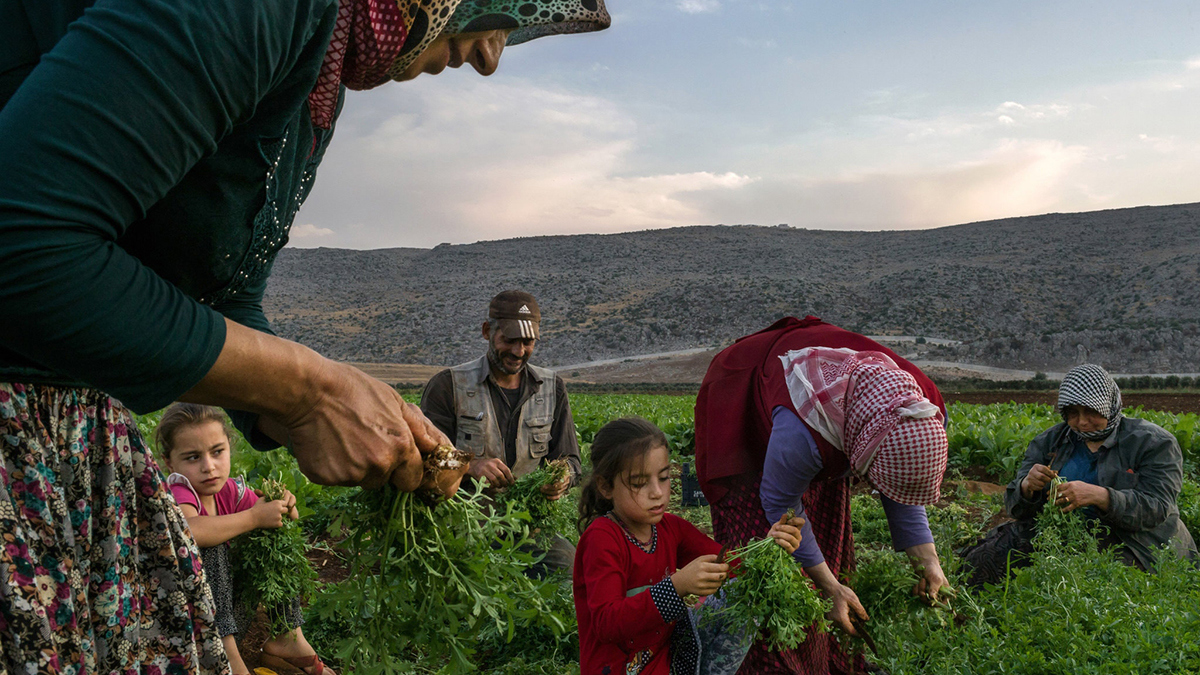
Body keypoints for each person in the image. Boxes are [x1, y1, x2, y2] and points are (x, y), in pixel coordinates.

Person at [0, 2, 609, 674]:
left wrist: (359, 407)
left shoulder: (316, 81)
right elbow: (25, 243)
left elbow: (225, 293)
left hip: (73, 426)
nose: (493, 55)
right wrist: (306, 393)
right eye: (503, 10)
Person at [694, 316, 950, 675]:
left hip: (835, 418)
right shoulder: (800, 433)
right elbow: (780, 504)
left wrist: (928, 562)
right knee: (770, 554)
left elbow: (901, 480)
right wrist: (829, 587)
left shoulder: (923, 408)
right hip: (743, 396)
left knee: (826, 536)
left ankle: (828, 660)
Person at [573, 417, 806, 675]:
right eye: (639, 483)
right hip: (618, 669)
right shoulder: (602, 538)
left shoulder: (670, 528)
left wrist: (770, 546)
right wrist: (676, 586)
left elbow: (730, 563)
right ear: (606, 486)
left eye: (663, 478)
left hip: (667, 660)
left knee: (741, 592)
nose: (657, 492)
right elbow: (607, 624)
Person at [961, 364, 1197, 584]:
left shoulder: (1153, 443)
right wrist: (1027, 487)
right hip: (1062, 536)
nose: (1082, 422)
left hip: (1135, 542)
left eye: (1091, 411)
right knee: (981, 562)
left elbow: (1157, 507)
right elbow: (1016, 508)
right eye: (1072, 413)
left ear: (1109, 405)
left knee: (1094, 580)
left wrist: (1100, 496)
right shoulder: (1050, 441)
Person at [157, 404, 331, 675]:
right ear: (170, 462)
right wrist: (253, 518)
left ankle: (287, 636)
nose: (209, 466)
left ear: (229, 446)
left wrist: (281, 505)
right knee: (211, 546)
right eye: (193, 457)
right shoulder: (180, 491)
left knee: (274, 537)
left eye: (217, 452)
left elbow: (277, 517)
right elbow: (192, 531)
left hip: (229, 619)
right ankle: (229, 662)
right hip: (193, 630)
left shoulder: (230, 492)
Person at [421, 290, 581, 574]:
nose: (519, 352)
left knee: (572, 569)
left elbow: (571, 459)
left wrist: (563, 478)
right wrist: (469, 466)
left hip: (529, 527)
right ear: (487, 331)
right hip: (465, 524)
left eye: (528, 342)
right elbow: (424, 461)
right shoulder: (448, 386)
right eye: (509, 340)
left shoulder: (552, 388)